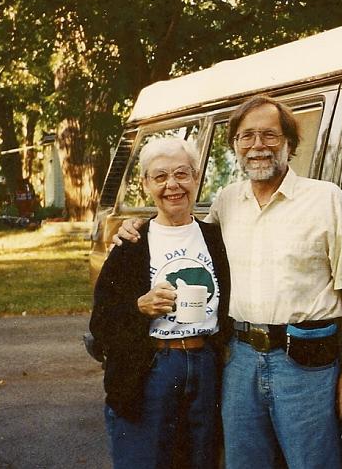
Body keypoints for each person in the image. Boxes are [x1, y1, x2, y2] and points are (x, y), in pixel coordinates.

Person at [117, 95, 342, 469]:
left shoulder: (325, 199)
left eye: (269, 135)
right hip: (240, 359)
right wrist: (136, 225)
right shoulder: (227, 201)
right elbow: (189, 232)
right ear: (235, 145)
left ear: (289, 143)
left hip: (304, 363)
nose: (258, 146)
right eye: (246, 136)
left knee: (313, 463)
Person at [91, 137, 230, 469]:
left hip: (205, 365)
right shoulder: (132, 244)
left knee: (201, 461)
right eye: (160, 176)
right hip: (151, 367)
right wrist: (140, 306)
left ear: (197, 178)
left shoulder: (216, 237)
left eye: (182, 174)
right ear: (146, 184)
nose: (173, 185)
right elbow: (101, 323)